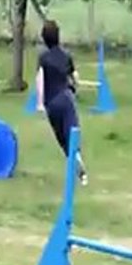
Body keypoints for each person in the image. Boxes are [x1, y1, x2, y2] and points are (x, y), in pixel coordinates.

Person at [34, 19, 88, 185]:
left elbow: (40, 79)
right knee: (72, 132)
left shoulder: (43, 58)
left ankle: (76, 167)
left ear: (44, 39)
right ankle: (78, 162)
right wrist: (75, 87)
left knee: (62, 140)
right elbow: (75, 77)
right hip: (66, 98)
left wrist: (40, 102)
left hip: (51, 103)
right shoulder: (66, 55)